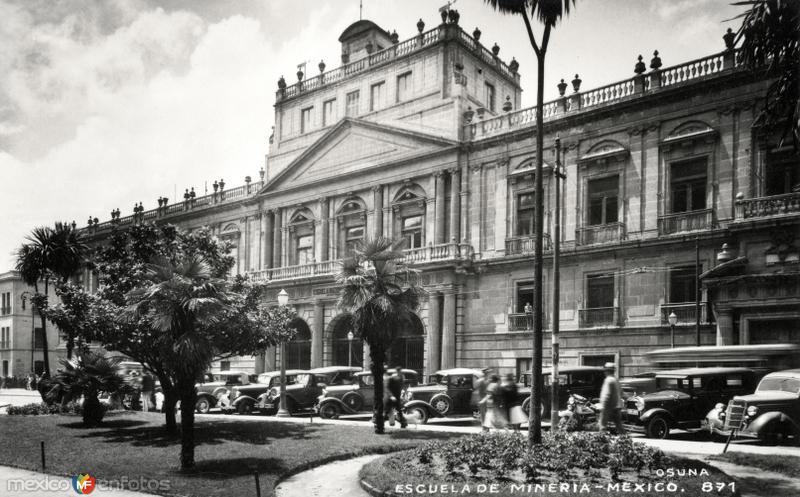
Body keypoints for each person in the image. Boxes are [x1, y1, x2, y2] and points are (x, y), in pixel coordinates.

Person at [599, 362, 625, 434]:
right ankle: (626, 440)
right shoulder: (616, 380)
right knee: (619, 426)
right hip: (617, 407)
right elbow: (621, 392)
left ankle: (601, 442)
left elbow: (606, 395)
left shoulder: (608, 380)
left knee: (602, 426)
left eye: (605, 370)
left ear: (607, 371)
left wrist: (603, 406)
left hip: (608, 407)